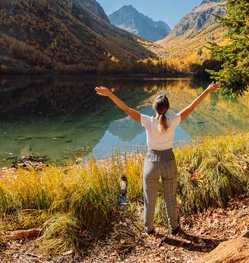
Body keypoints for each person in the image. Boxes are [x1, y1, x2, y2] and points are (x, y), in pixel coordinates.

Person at [95, 82, 222, 235]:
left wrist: (109, 94)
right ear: (167, 108)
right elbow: (191, 106)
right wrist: (207, 91)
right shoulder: (173, 120)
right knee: (171, 199)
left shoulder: (148, 121)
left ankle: (149, 229)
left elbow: (126, 109)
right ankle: (174, 228)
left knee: (149, 200)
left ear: (153, 108)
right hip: (169, 161)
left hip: (151, 163)